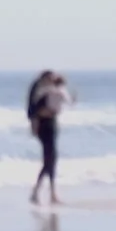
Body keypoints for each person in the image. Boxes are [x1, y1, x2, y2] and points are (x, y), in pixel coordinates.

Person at [27, 70, 72, 207]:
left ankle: (46, 192)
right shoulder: (38, 89)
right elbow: (32, 109)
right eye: (50, 78)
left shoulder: (51, 89)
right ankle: (42, 193)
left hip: (52, 123)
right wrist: (34, 124)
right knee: (49, 159)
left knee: (51, 159)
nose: (52, 80)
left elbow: (61, 102)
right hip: (43, 124)